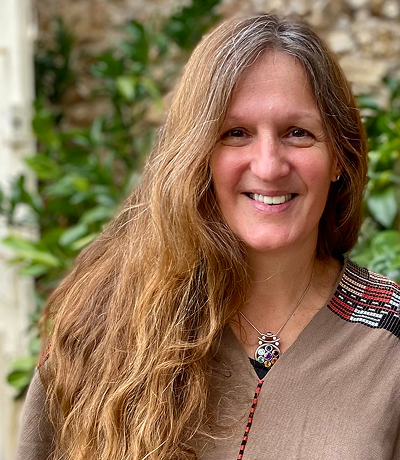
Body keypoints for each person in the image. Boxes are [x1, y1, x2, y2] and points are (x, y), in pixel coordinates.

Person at [16, 13, 399, 460]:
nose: (269, 166)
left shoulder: (389, 342)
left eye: (298, 133)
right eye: (235, 133)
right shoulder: (97, 335)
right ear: (197, 156)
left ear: (338, 157)